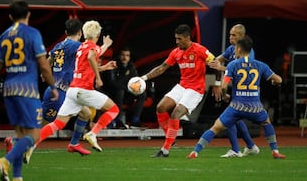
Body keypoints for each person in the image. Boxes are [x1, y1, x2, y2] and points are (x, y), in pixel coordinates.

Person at [0, 0, 59, 181]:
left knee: (20, 135)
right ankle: (5, 161)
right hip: (27, 90)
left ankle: (17, 177)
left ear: (10, 16)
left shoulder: (3, 36)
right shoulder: (32, 34)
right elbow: (44, 65)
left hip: (9, 89)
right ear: (28, 15)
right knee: (34, 134)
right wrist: (53, 86)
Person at [187, 37, 286, 159]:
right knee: (266, 123)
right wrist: (274, 83)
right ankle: (275, 151)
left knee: (215, 128)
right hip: (255, 107)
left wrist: (225, 95)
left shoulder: (232, 65)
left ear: (238, 49)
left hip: (236, 106)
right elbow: (279, 80)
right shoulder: (261, 65)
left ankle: (195, 152)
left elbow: (224, 86)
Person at [37, 20, 119, 153]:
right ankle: (16, 141)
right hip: (59, 93)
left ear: (65, 33)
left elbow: (49, 62)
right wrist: (106, 46)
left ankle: (74, 143)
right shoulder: (77, 46)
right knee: (44, 126)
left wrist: (43, 74)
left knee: (85, 113)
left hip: (62, 90)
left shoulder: (58, 46)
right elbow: (93, 54)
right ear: (80, 33)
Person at [140, 24, 215, 157]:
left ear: (187, 38)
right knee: (160, 107)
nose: (177, 42)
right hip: (182, 86)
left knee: (175, 114)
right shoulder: (176, 52)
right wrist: (143, 78)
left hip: (196, 89)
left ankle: (165, 149)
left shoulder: (200, 50)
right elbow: (162, 68)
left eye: (179, 39)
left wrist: (218, 83)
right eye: (176, 39)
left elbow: (215, 63)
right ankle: (171, 138)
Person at [208, 24, 259, 157]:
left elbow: (242, 72)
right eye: (230, 34)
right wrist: (208, 60)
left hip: (246, 92)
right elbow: (218, 59)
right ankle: (250, 146)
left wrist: (221, 68)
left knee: (230, 118)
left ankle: (237, 150)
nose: (230, 37)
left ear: (242, 36)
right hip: (235, 89)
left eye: (234, 35)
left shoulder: (249, 53)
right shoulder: (231, 49)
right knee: (234, 118)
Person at [104, 47, 147, 128]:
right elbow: (112, 84)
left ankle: (135, 120)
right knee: (120, 91)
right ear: (119, 56)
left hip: (127, 92)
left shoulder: (131, 66)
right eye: (123, 55)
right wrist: (125, 76)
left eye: (127, 55)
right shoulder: (113, 64)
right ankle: (118, 120)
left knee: (142, 93)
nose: (125, 57)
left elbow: (135, 81)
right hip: (113, 93)